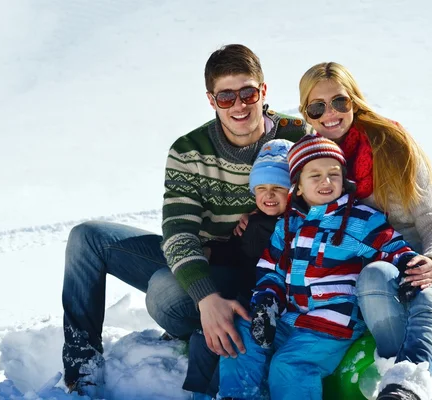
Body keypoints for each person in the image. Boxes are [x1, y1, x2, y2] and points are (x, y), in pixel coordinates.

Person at [61, 44, 307, 397]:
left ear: (263, 91)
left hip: (259, 268)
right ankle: (82, 366)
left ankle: (202, 324)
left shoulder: (295, 137)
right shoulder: (188, 150)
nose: (239, 104)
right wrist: (206, 299)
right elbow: (178, 233)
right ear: (211, 100)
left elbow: (328, 187)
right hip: (201, 261)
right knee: (87, 238)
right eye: (226, 96)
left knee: (165, 294)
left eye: (248, 92)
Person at [298, 62, 432, 399]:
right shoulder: (314, 164)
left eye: (340, 102)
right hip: (390, 268)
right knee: (371, 276)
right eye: (317, 106)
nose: (330, 114)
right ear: (306, 114)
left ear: (354, 101)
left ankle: (407, 388)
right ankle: (399, 367)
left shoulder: (390, 144)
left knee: (427, 298)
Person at [218, 134, 419, 400]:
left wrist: (408, 267)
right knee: (242, 337)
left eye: (333, 174)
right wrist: (267, 302)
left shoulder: (359, 219)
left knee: (289, 366)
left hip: (330, 325)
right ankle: (240, 395)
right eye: (315, 175)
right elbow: (271, 270)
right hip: (288, 317)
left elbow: (394, 248)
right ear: (297, 187)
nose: (326, 181)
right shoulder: (287, 225)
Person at [183, 139, 294, 400]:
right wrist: (210, 252)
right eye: (262, 188)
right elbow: (236, 253)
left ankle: (226, 390)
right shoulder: (252, 222)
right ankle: (198, 393)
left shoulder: (297, 225)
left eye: (278, 188)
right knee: (206, 335)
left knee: (237, 339)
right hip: (247, 295)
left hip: (276, 303)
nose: (269, 195)